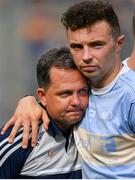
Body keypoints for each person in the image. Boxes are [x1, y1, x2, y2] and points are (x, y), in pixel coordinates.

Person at [1, 0, 135, 178]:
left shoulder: (129, 95)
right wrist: (28, 101)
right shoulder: (84, 83)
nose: (86, 56)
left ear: (119, 44)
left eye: (96, 45)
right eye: (77, 47)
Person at [0, 47, 89, 178]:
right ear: (42, 96)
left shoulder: (99, 125)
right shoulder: (16, 142)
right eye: (65, 93)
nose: (76, 101)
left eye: (82, 91)